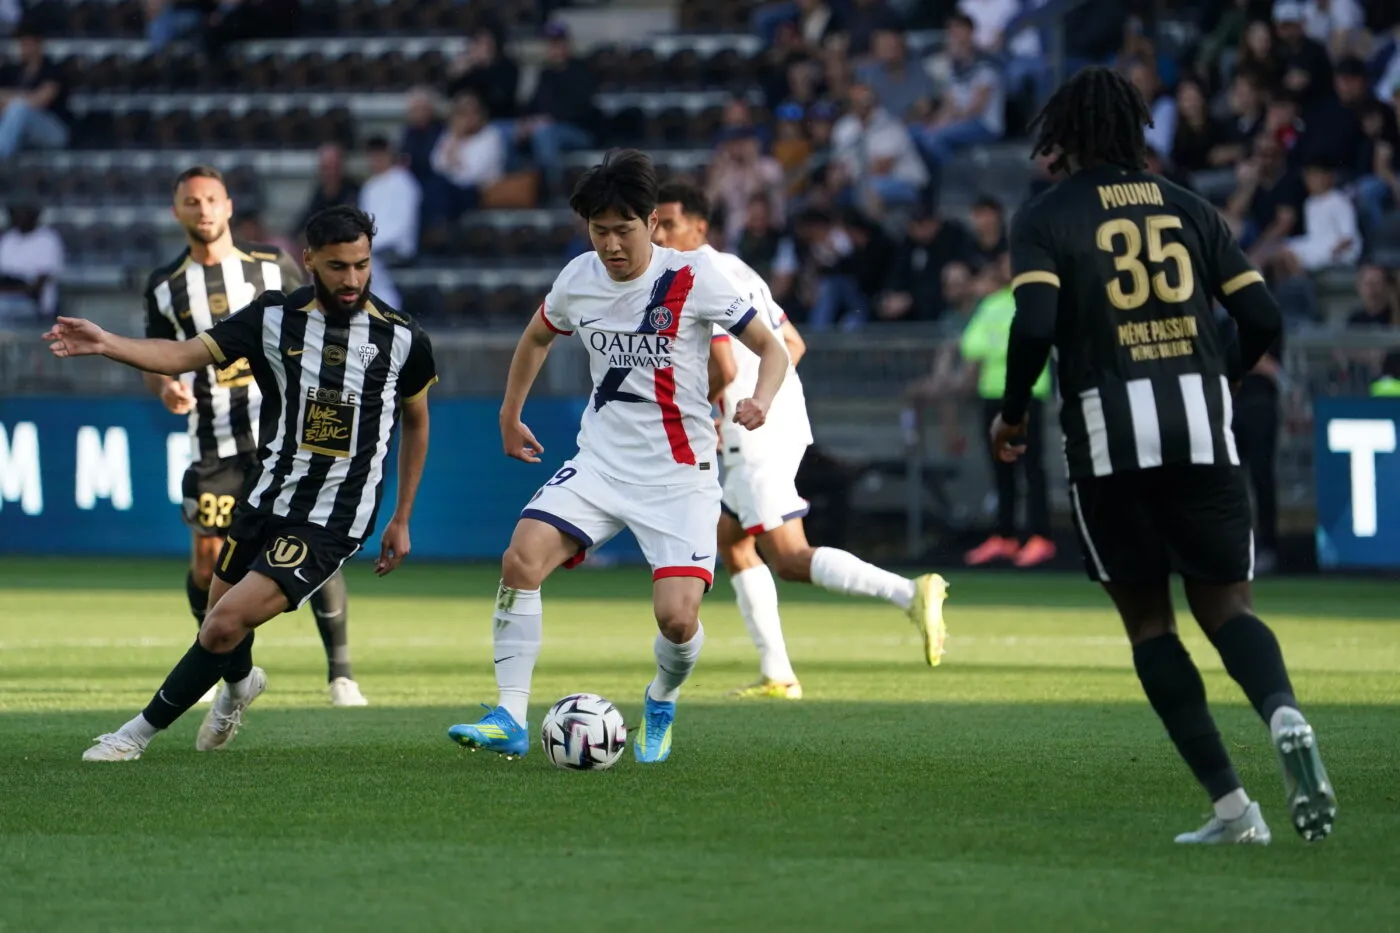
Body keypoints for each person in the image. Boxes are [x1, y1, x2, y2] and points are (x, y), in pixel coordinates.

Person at [990, 68, 1335, 844]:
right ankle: (1283, 711)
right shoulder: (1191, 207)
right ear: (1134, 131)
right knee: (1228, 606)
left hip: (1109, 438)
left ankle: (1234, 809)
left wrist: (1012, 414)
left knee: (1150, 622)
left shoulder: (1047, 217)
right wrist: (1224, 372)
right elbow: (1263, 312)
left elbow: (1037, 323)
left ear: (1062, 137)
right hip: (1203, 429)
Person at [50, 206, 438, 761]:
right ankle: (239, 689)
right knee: (220, 620)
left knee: (223, 624)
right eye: (337, 266)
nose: (352, 279)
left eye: (361, 265)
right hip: (265, 497)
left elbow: (418, 420)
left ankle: (133, 736)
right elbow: (183, 354)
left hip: (333, 515)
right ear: (308, 261)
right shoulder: (272, 317)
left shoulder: (402, 338)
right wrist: (106, 342)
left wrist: (401, 515)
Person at [448, 150, 790, 762]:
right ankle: (509, 713)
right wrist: (508, 413)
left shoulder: (694, 277)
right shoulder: (578, 278)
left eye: (622, 229)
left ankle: (661, 698)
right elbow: (535, 337)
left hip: (680, 477)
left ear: (652, 222)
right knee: (520, 560)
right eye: (598, 230)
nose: (610, 244)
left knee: (677, 622)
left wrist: (760, 400)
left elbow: (773, 348)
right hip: (601, 464)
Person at [652, 181, 948, 699]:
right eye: (654, 223)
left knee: (788, 558)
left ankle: (909, 592)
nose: (658, 233)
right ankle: (778, 672)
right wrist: (770, 396)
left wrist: (700, 409)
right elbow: (791, 342)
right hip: (772, 418)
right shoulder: (741, 269)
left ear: (700, 226)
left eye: (669, 223)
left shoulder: (695, 274)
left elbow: (721, 366)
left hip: (753, 430)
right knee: (733, 540)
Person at [144, 167, 369, 708]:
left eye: (211, 200)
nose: (203, 210)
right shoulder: (165, 285)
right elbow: (157, 354)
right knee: (207, 561)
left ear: (227, 206)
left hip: (284, 438)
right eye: (191, 202)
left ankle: (341, 674)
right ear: (177, 211)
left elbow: (323, 314)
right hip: (213, 440)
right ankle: (224, 667)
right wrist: (163, 388)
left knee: (308, 543)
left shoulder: (270, 265)